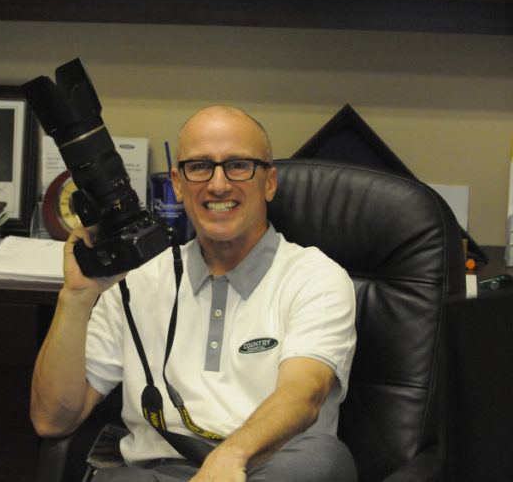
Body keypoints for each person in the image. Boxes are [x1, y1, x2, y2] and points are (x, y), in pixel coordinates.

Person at [31, 105, 357, 481]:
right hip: (159, 474)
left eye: (238, 165)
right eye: (200, 167)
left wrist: (231, 455)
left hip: (264, 471)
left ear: (269, 183)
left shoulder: (315, 277)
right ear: (178, 184)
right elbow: (52, 421)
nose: (218, 185)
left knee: (321, 458)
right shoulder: (138, 279)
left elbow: (305, 393)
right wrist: (75, 297)